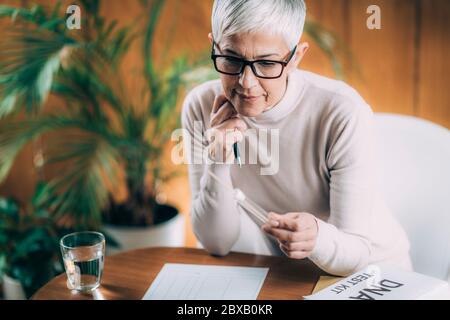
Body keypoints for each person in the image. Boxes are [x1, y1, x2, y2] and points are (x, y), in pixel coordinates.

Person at [181, 0, 412, 276]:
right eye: (232, 59)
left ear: (296, 57)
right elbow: (217, 243)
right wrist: (217, 160)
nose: (246, 82)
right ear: (214, 46)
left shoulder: (341, 112)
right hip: (287, 276)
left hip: (373, 273)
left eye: (266, 63)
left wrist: (316, 237)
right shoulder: (201, 106)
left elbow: (357, 251)